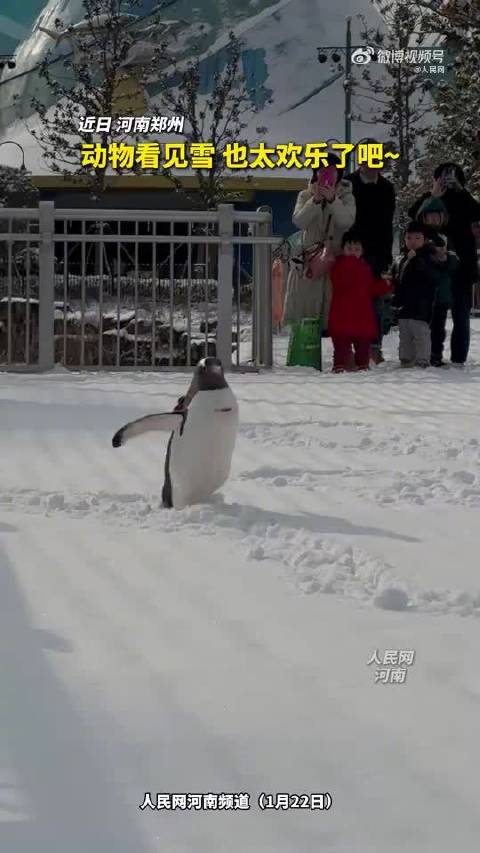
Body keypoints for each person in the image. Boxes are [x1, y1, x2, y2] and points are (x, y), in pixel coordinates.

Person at [409, 162, 480, 366]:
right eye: (443, 177)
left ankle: (458, 358)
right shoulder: (431, 200)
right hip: (434, 270)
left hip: (462, 267)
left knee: (461, 315)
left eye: (452, 177)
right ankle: (434, 355)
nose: (447, 181)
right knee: (434, 316)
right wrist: (432, 195)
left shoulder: (464, 200)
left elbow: (477, 213)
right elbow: (414, 216)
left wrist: (462, 191)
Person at [283, 153, 356, 332]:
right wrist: (315, 200)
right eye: (321, 171)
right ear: (315, 173)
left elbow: (346, 222)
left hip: (334, 261)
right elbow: (299, 221)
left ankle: (336, 355)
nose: (326, 175)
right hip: (309, 262)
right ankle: (305, 353)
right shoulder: (305, 195)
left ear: (339, 173)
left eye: (331, 171)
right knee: (306, 314)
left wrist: (333, 200)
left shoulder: (347, 196)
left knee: (335, 317)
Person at [347, 143, 396, 364]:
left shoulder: (387, 188)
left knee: (376, 303)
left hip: (377, 254)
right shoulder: (349, 183)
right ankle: (349, 347)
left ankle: (374, 348)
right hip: (352, 251)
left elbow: (388, 224)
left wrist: (387, 257)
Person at [329, 230, 392, 372]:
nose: (352, 252)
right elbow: (340, 282)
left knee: (363, 344)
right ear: (343, 249)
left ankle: (362, 366)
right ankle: (339, 366)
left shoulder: (365, 267)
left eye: (356, 249)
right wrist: (351, 264)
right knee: (341, 346)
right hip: (343, 314)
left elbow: (370, 289)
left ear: (362, 251)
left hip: (361, 315)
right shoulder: (338, 265)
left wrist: (384, 285)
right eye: (349, 249)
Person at [416, 197, 460, 366]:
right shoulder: (419, 236)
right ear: (424, 217)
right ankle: (421, 354)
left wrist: (445, 258)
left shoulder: (447, 237)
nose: (434, 219)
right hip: (422, 293)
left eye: (437, 216)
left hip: (441, 292)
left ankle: (436, 355)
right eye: (430, 216)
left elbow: (455, 261)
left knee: (438, 328)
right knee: (421, 326)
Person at [391, 221, 438, 368]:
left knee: (420, 333)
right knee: (405, 333)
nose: (413, 241)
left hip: (421, 303)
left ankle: (423, 359)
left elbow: (426, 276)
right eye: (409, 238)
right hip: (404, 304)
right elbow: (399, 278)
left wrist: (414, 260)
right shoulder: (402, 258)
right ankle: (406, 358)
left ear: (424, 240)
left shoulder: (427, 256)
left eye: (417, 238)